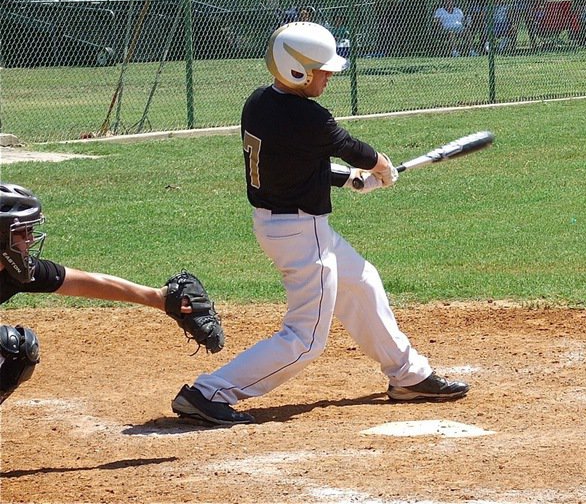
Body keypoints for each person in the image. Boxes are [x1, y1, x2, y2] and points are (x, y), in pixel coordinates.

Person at [171, 21, 468, 426]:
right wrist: (381, 168)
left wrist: (348, 178)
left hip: (287, 225)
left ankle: (408, 376)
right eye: (321, 70)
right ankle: (208, 392)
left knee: (362, 282)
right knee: (306, 338)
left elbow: (296, 160)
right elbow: (354, 149)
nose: (328, 77)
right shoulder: (308, 117)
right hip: (300, 231)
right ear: (297, 70)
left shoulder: (260, 102)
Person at [0, 183, 223, 405]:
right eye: (21, 232)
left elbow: (87, 283)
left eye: (30, 231)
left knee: (19, 349)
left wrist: (158, 298)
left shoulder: (16, 272)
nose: (30, 240)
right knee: (6, 343)